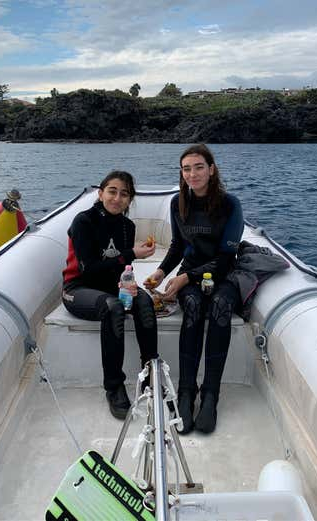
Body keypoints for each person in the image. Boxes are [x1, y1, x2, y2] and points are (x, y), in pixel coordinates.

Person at [144, 144, 243, 434]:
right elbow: (177, 246)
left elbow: (226, 258)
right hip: (190, 273)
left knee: (221, 307)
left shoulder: (230, 204)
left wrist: (185, 279)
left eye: (199, 167)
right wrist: (162, 272)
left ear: (211, 169)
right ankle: (187, 391)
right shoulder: (178, 203)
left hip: (222, 274)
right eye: (186, 168)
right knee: (195, 308)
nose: (193, 174)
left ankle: (210, 394)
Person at [62, 171, 158, 419]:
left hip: (112, 287)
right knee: (114, 307)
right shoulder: (84, 221)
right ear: (101, 193)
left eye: (124, 194)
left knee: (145, 302)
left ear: (129, 200)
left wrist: (130, 284)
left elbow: (122, 268)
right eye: (112, 191)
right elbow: (90, 269)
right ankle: (114, 387)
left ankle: (150, 376)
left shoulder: (128, 226)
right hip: (78, 289)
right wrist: (132, 254)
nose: (117, 198)